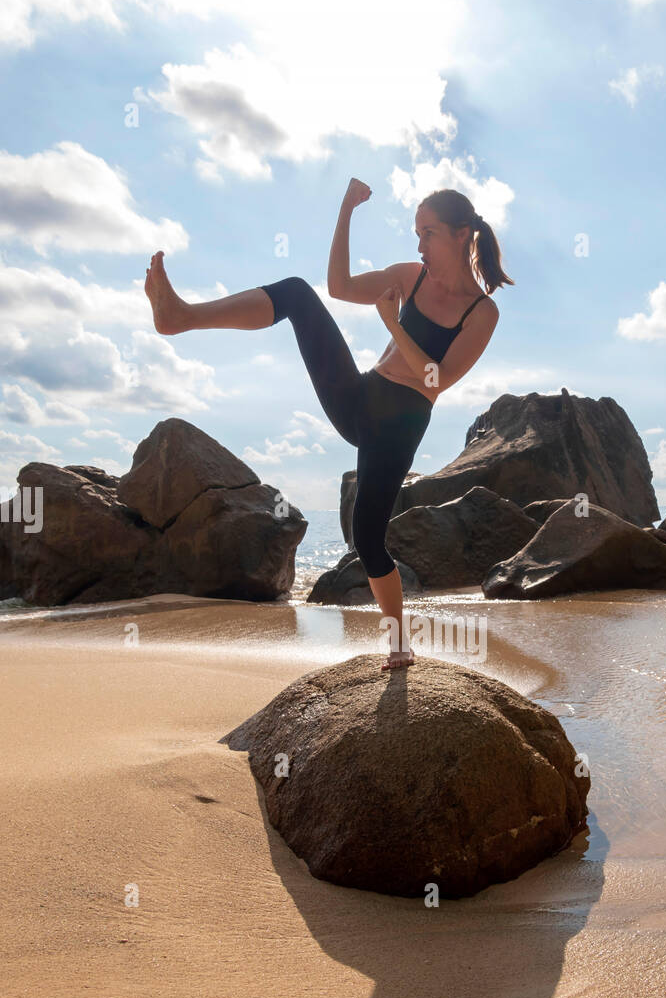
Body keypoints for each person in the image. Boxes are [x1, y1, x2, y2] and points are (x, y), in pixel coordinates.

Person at [144, 178, 514, 669]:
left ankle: (400, 642)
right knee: (299, 294)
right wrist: (345, 211)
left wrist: (393, 325)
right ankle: (182, 316)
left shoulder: (481, 312)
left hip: (399, 424)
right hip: (361, 396)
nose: (418, 244)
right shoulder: (411, 276)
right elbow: (338, 288)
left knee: (367, 537)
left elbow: (436, 378)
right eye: (416, 232)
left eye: (428, 233)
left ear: (462, 233)